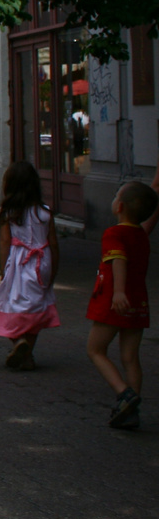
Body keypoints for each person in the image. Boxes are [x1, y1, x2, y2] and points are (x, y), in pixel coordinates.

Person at [86, 180, 158, 429]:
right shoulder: (140, 234)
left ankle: (124, 393)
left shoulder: (114, 234)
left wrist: (117, 292)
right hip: (138, 302)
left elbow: (118, 261)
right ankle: (131, 410)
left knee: (95, 350)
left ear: (120, 207)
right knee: (130, 356)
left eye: (116, 194)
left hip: (113, 301)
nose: (114, 197)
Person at [0, 162, 60, 370]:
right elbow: (53, 243)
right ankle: (28, 357)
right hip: (41, 262)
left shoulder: (10, 213)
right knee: (36, 308)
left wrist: (3, 270)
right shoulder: (45, 212)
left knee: (10, 305)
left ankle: (18, 342)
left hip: (19, 264)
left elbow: (5, 243)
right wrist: (53, 268)